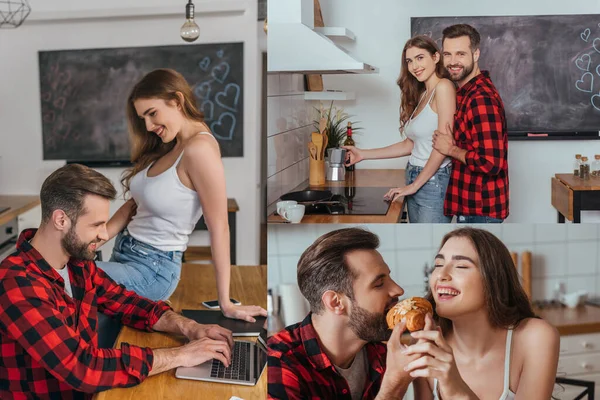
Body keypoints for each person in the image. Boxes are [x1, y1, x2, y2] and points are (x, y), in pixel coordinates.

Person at [0, 164, 235, 399]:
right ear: (61, 220)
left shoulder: (77, 264)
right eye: (95, 225)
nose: (104, 234)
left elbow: (127, 302)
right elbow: (82, 367)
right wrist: (181, 355)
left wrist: (191, 328)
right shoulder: (17, 284)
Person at [96, 68, 266, 323]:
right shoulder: (172, 148)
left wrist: (226, 303)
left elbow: (219, 227)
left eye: (152, 114)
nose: (149, 126)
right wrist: (97, 239)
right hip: (123, 254)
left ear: (177, 101)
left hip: (152, 270)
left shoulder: (200, 150)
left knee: (68, 275)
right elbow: (133, 206)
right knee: (100, 326)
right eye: (143, 118)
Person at [403, 227, 559, 399]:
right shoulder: (426, 343)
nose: (441, 275)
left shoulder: (535, 337)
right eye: (438, 265)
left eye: (461, 266)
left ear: (493, 280)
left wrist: (458, 391)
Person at [267, 228, 421, 400]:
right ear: (335, 302)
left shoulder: (381, 353)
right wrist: (393, 387)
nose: (398, 290)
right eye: (379, 284)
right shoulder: (277, 364)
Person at [344, 36, 456, 223]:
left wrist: (414, 186)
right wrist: (363, 154)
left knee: (430, 242)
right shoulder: (423, 94)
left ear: (436, 57)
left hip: (433, 180)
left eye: (420, 58)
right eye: (409, 61)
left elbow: (443, 147)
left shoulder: (443, 87)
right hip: (415, 173)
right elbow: (410, 144)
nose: (414, 66)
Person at [432, 24, 509, 223]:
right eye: (447, 54)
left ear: (476, 54)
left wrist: (451, 149)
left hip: (481, 210)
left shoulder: (480, 98)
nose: (452, 62)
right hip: (471, 207)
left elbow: (491, 163)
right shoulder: (465, 92)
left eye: (460, 54)